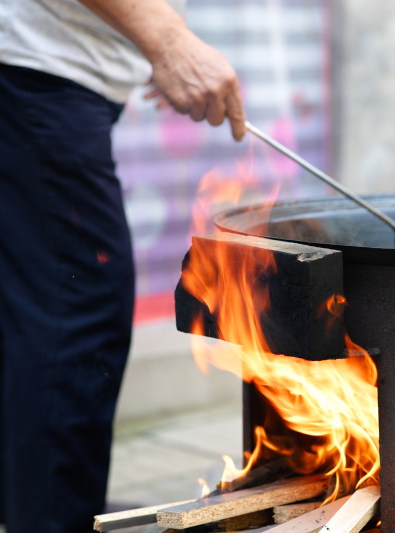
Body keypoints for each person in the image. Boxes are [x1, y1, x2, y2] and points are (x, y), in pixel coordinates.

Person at [0, 0, 245, 530]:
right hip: (34, 77)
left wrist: (149, 39)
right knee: (75, 313)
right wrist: (168, 41)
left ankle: (40, 503)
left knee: (33, 314)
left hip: (39, 78)